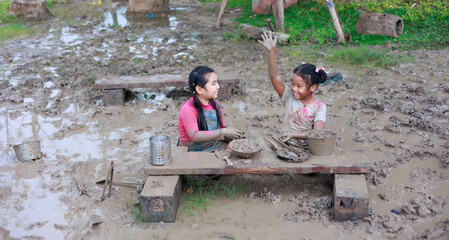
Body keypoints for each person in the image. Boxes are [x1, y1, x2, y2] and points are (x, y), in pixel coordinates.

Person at [259, 31, 327, 146]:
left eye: (299, 86)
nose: (294, 88)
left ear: (313, 87)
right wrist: (271, 52)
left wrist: (294, 135)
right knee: (260, 143)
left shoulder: (319, 107)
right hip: (285, 143)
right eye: (293, 84)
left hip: (305, 148)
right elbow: (274, 77)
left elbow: (317, 133)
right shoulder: (289, 96)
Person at [178, 66, 244, 152]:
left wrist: (232, 137)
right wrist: (223, 132)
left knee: (238, 147)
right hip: (191, 149)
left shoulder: (215, 105)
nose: (218, 87)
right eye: (213, 84)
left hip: (212, 143)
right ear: (199, 89)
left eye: (217, 83)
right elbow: (194, 136)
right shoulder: (188, 108)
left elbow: (222, 127)